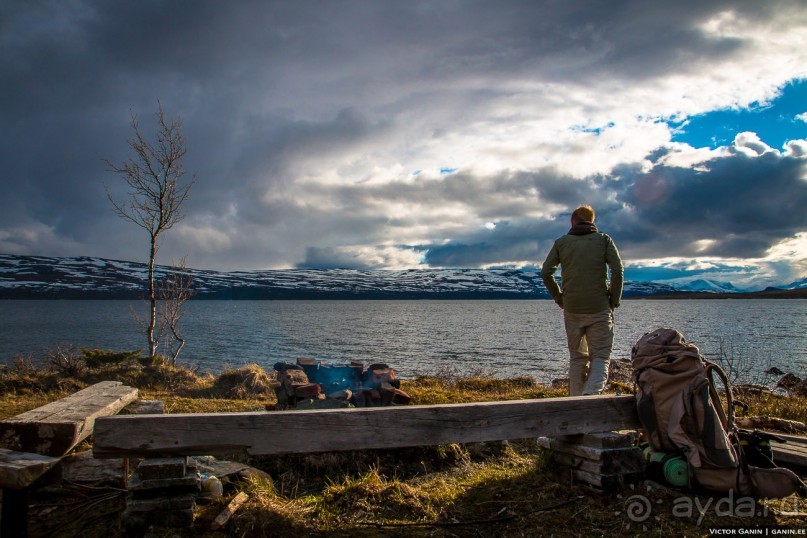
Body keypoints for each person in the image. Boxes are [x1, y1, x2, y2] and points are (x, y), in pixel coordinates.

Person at [541, 205, 623, 396]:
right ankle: (590, 396)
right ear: (592, 221)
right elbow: (618, 271)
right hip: (600, 307)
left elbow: (546, 273)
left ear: (572, 221)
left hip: (572, 308)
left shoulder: (562, 243)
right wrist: (614, 300)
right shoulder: (603, 240)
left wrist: (559, 298)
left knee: (577, 358)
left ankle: (575, 401)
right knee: (601, 357)